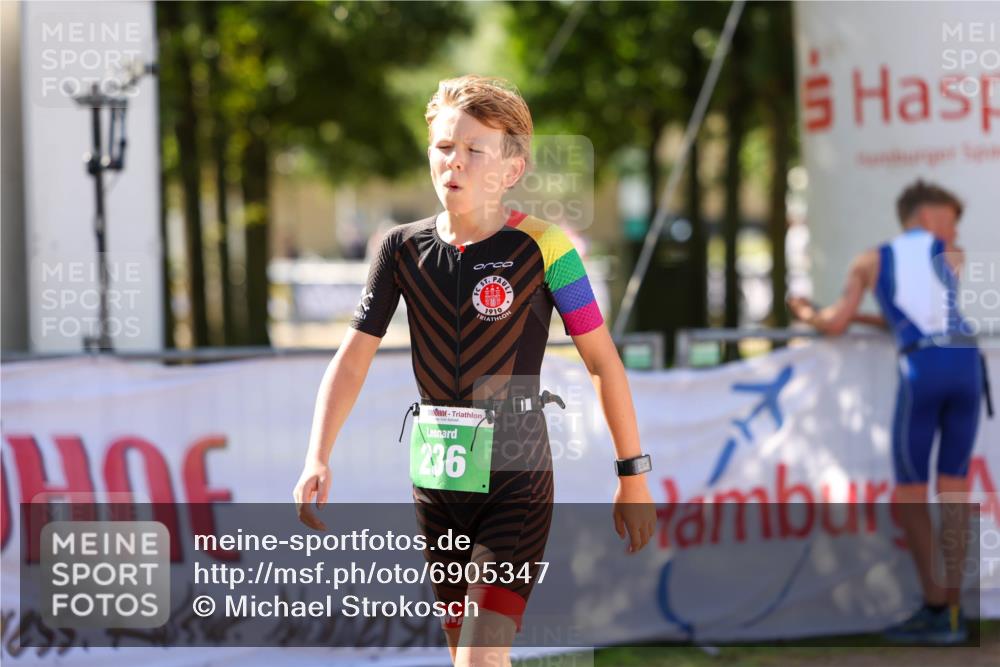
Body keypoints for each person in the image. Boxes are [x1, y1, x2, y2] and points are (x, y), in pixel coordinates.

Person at [293, 75, 657, 666]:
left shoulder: (546, 246)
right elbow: (352, 358)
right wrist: (317, 454)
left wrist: (632, 475)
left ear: (510, 169)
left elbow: (602, 360)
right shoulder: (398, 249)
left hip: (517, 470)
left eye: (473, 150)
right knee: (471, 655)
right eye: (443, 147)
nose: (453, 163)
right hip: (436, 477)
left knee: (477, 659)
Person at [788, 179, 984, 644]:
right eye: (950, 220)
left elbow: (833, 323)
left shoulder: (870, 261)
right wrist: (863, 317)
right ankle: (954, 612)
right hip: (967, 363)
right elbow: (926, 313)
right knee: (953, 489)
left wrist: (806, 313)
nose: (954, 232)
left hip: (924, 368)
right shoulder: (953, 257)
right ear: (925, 215)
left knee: (911, 495)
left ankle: (936, 608)